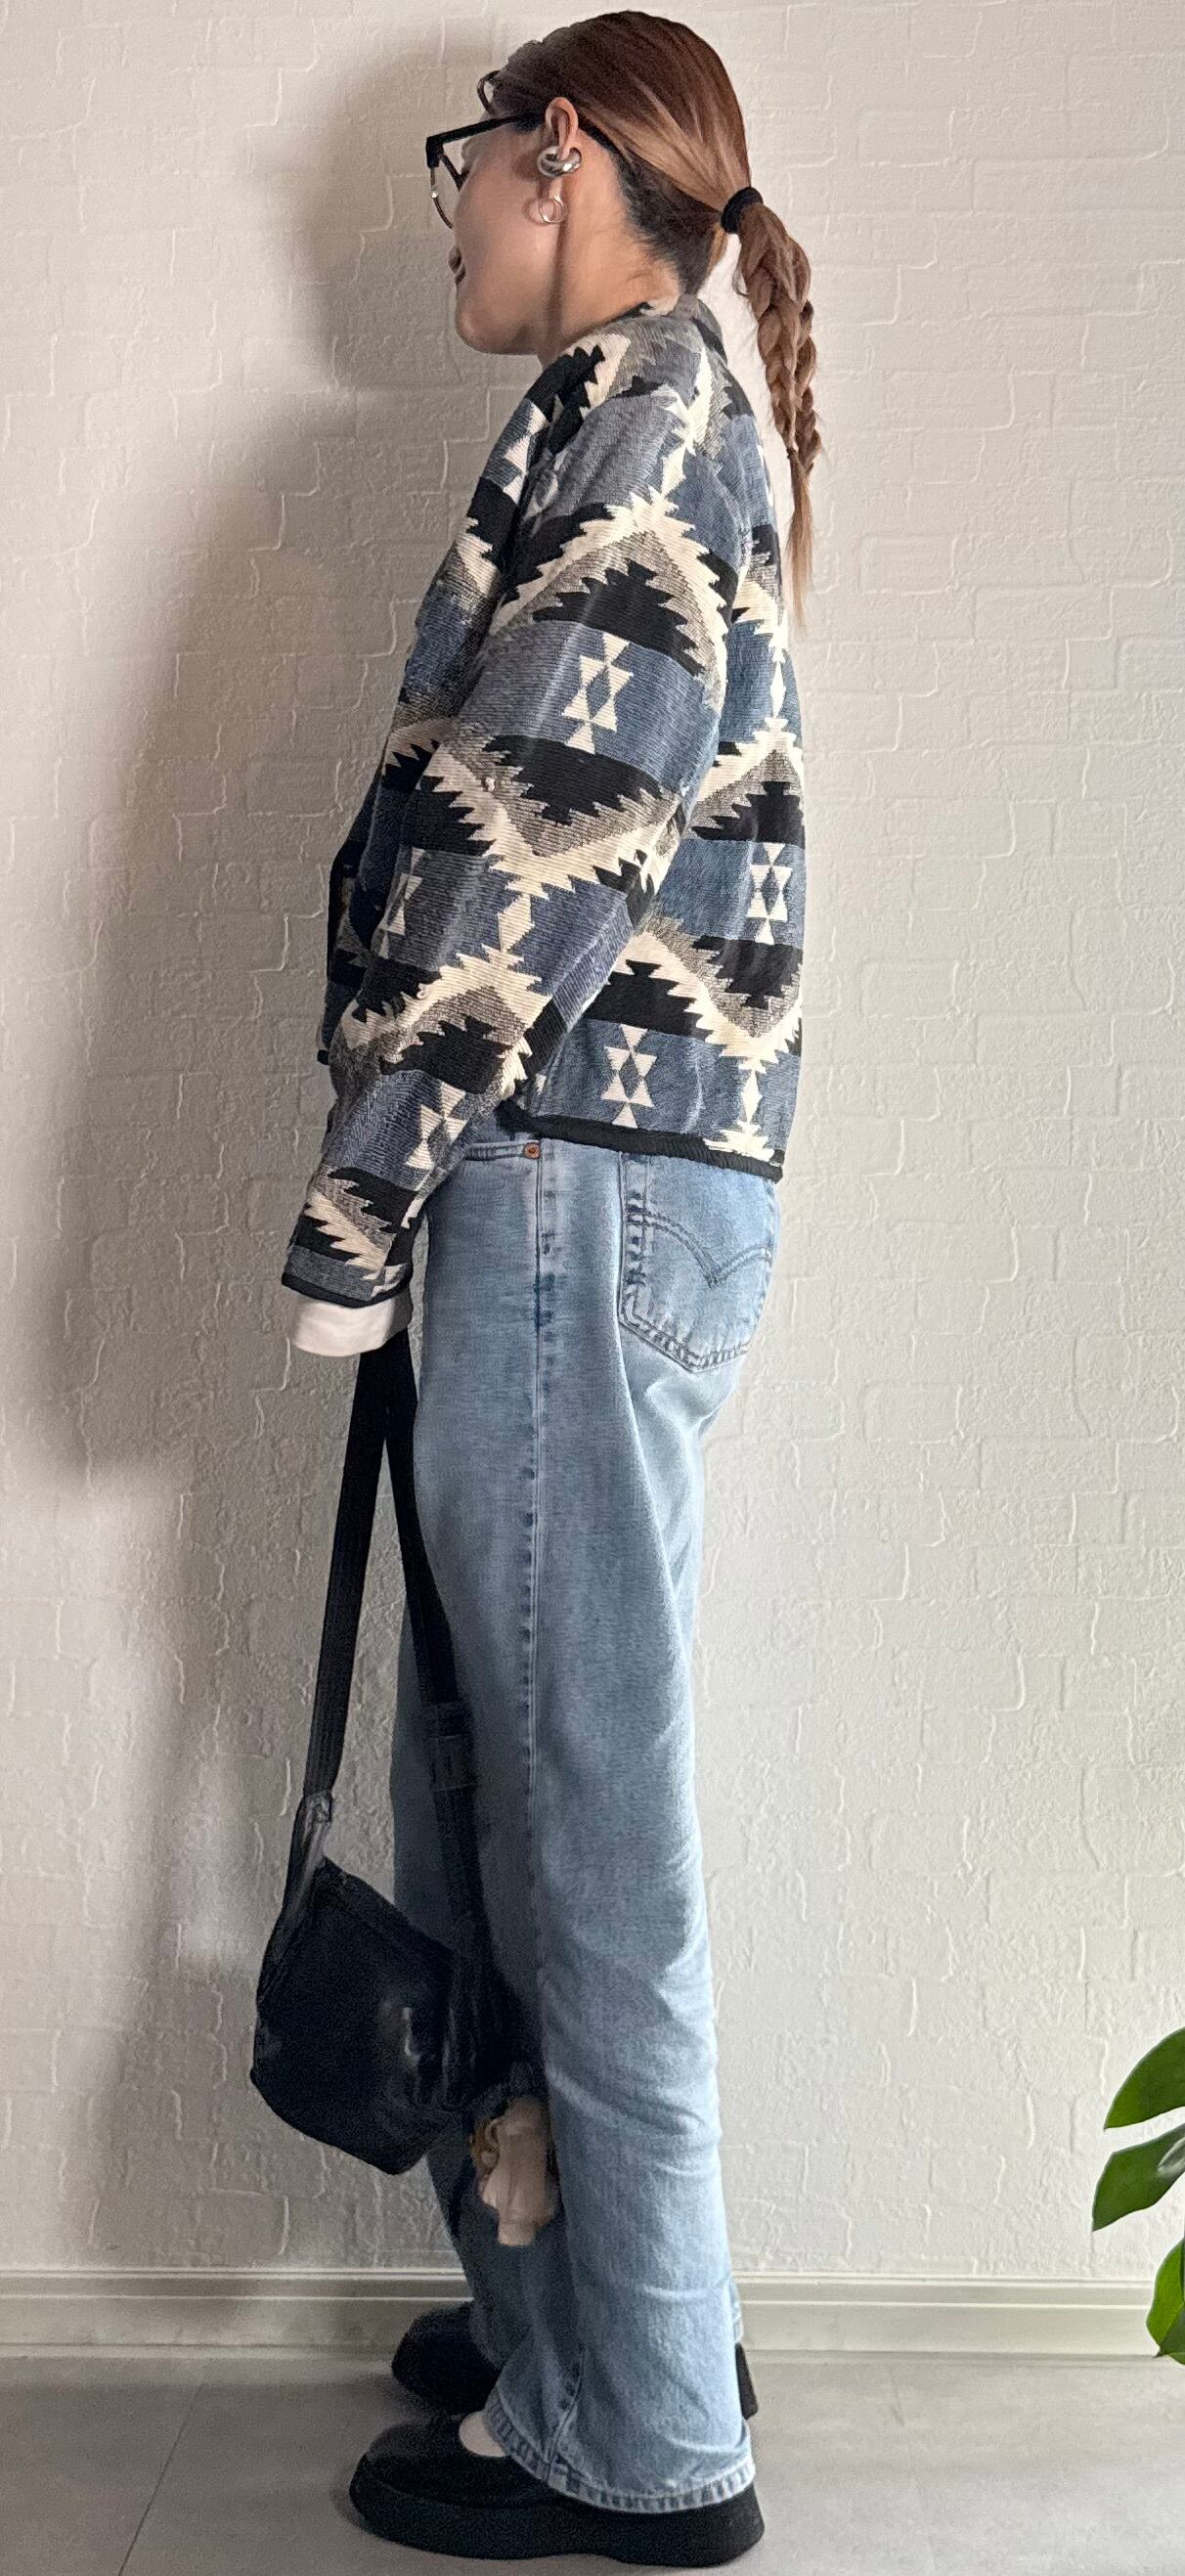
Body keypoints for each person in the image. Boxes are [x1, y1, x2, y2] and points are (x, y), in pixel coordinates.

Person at [280, 15, 817, 2563]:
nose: (447, 219)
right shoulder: (647, 409)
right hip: (595, 1187)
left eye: (461, 168)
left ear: (560, 152)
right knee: (502, 1794)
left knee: (576, 1824)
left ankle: (647, 2434)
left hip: (566, 1188)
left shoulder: (643, 426)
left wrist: (362, 1194)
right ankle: (578, 2306)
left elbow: (532, 851)